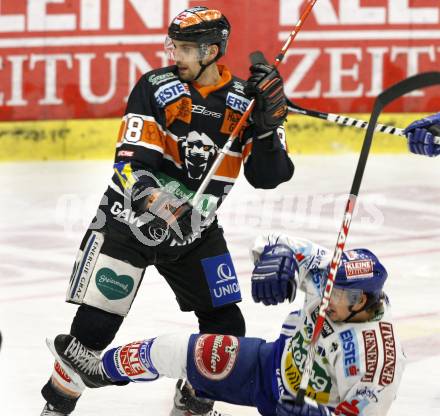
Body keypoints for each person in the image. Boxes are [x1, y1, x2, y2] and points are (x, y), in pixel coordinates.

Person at [40, 5, 294, 416]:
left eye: (185, 49)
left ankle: (194, 401)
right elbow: (130, 165)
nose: (174, 55)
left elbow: (270, 176)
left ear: (212, 51)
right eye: (173, 46)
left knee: (226, 328)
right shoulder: (157, 86)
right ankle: (56, 405)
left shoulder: (246, 102)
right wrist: (163, 205)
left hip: (196, 231)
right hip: (128, 222)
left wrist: (268, 126)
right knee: (94, 327)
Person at [48, 233, 405, 416]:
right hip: (267, 363)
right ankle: (101, 370)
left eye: (336, 293)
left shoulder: (379, 360)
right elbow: (269, 241)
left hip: (294, 409)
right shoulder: (329, 273)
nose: (324, 294)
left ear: (361, 301)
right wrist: (275, 258)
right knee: (178, 348)